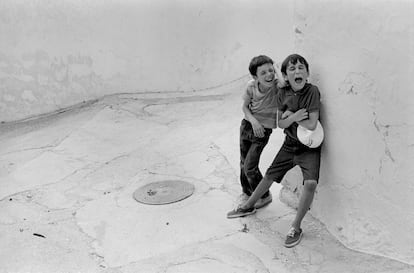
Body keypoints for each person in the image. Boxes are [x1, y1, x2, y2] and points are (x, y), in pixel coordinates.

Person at [227, 54, 323, 248]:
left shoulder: (312, 91)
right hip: (289, 144)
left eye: (301, 68)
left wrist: (293, 117)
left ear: (308, 73)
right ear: (286, 77)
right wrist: (293, 116)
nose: (297, 72)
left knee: (311, 183)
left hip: (309, 147)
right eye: (292, 69)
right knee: (269, 175)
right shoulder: (283, 92)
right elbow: (281, 123)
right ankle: (248, 205)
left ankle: (296, 227)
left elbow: (312, 124)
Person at [237, 55, 284, 210]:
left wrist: (277, 68)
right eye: (263, 73)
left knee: (250, 166)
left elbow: (283, 82)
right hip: (248, 126)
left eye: (271, 70)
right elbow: (244, 107)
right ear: (255, 76)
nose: (269, 75)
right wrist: (254, 121)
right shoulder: (251, 86)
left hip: (262, 132)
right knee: (243, 162)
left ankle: (264, 195)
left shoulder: (277, 85)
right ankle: (248, 191)